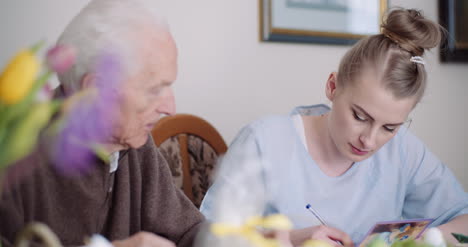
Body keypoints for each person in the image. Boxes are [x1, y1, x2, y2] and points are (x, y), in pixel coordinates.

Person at [200, 8, 468, 247]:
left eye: (389, 127)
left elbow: (463, 220)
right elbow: (208, 235)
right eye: (360, 116)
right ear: (332, 86)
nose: (369, 141)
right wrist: (289, 240)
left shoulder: (404, 152)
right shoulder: (263, 141)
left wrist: (417, 240)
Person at [0, 0, 204, 247]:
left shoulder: (134, 143)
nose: (169, 109)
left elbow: (189, 231)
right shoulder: (14, 151)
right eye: (154, 90)